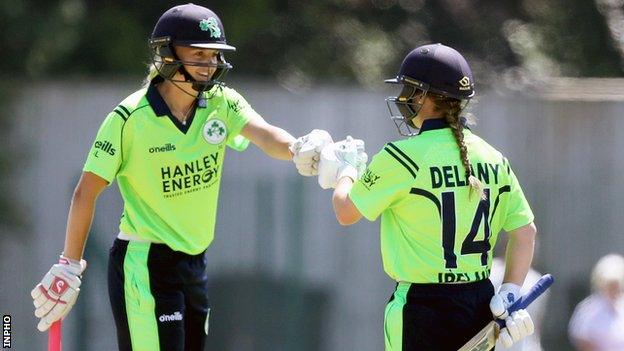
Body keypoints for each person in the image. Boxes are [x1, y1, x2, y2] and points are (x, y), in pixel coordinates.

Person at [30, 4, 331, 351]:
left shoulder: (221, 103)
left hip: (193, 263)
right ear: (167, 55)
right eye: (198, 54)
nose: (210, 64)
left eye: (214, 55)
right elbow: (86, 193)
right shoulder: (129, 118)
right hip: (146, 264)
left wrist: (297, 148)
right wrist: (69, 265)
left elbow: (263, 134)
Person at [318, 43, 537, 350]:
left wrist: (347, 170)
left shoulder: (402, 156)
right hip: (481, 305)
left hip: (422, 309)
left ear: (422, 96)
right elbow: (525, 233)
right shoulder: (494, 158)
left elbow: (345, 211)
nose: (402, 98)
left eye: (408, 89)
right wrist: (511, 289)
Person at [490, 257, 549, 350]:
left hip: (526, 344)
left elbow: (538, 322)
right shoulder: (493, 270)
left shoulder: (535, 278)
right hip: (496, 342)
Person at [568, 254, 624, 351]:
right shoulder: (589, 308)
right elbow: (580, 336)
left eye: (617, 285)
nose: (614, 289)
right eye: (611, 285)